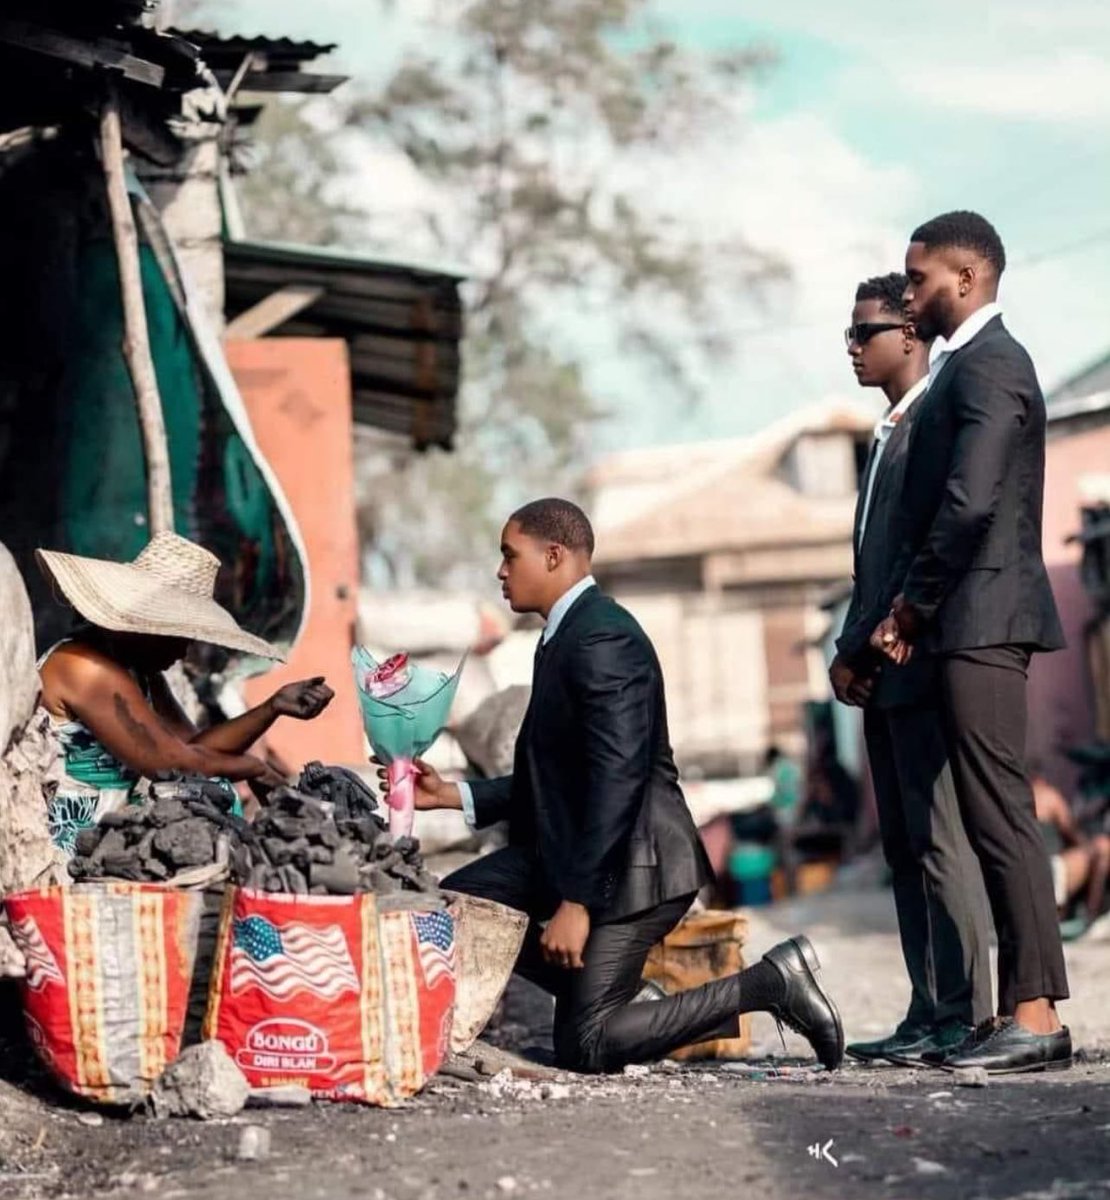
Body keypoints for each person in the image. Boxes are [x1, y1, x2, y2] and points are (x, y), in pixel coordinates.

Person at [387, 498, 844, 1074]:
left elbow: (617, 777)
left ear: (553, 556)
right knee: (462, 904)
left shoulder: (603, 639)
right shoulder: (562, 638)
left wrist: (577, 904)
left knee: (587, 1045)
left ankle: (771, 982)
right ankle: (626, 1002)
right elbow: (554, 780)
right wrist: (450, 794)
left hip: (636, 864)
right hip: (585, 850)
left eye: (510, 555)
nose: (501, 571)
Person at [869, 211, 1070, 1074]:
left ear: (964, 278)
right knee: (980, 818)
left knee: (1000, 816)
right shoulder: (966, 366)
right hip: (964, 622)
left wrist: (911, 608)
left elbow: (970, 502)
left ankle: (1037, 1015)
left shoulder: (992, 364)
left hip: (983, 620)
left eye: (917, 281)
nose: (910, 295)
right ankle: (1003, 1014)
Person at [832, 273, 992, 1067]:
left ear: (910, 334)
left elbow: (922, 555)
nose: (853, 348)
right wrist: (847, 654)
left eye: (866, 332)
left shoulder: (933, 419)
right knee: (902, 845)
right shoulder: (884, 433)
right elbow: (871, 565)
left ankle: (966, 1013)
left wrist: (871, 644)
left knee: (940, 843)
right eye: (851, 334)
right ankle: (928, 1008)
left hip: (921, 660)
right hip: (878, 669)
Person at [36, 532, 334, 851]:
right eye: (179, 635)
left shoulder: (141, 672)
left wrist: (272, 707)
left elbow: (195, 747)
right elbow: (174, 765)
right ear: (146, 626)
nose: (185, 651)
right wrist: (255, 767)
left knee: (213, 792)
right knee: (209, 793)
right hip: (75, 843)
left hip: (117, 833)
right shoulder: (84, 667)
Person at [1032, 768, 1110, 929]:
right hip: (1050, 868)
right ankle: (1090, 917)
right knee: (1103, 848)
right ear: (1041, 780)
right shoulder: (1048, 796)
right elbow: (1073, 833)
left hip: (1022, 869)